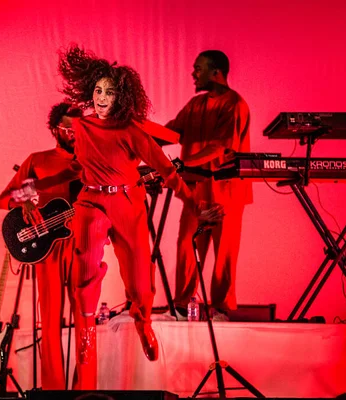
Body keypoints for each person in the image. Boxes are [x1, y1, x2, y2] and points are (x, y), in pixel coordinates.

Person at [57, 45, 221, 390]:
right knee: (83, 262)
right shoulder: (82, 127)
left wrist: (193, 205)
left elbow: (166, 169)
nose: (102, 98)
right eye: (98, 90)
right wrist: (35, 186)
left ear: (122, 97)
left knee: (141, 282)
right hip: (91, 201)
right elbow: (76, 166)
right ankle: (86, 335)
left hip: (128, 202)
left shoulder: (132, 130)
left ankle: (143, 320)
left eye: (110, 92)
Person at [0, 102, 85, 390]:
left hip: (84, 244)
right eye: (67, 129)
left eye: (79, 129)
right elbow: (5, 199)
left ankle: (87, 391)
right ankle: (54, 390)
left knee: (86, 321)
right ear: (54, 130)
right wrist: (23, 202)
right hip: (48, 249)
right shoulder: (39, 160)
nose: (74, 134)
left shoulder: (91, 159)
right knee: (49, 320)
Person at [163, 50, 252, 321]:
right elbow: (172, 131)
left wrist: (182, 163)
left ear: (216, 72)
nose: (193, 73)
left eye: (198, 68)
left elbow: (220, 146)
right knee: (186, 246)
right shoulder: (195, 105)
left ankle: (221, 309)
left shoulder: (234, 104)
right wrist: (139, 135)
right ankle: (181, 306)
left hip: (227, 191)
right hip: (196, 191)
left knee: (224, 252)